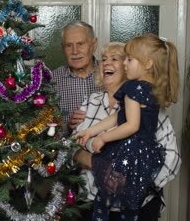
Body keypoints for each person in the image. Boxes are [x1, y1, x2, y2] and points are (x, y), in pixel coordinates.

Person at [72, 42, 181, 221]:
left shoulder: (147, 103)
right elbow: (71, 145)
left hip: (140, 205)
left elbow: (172, 160)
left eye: (116, 59)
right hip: (89, 202)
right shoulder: (90, 102)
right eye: (104, 59)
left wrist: (137, 179)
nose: (107, 63)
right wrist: (91, 160)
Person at [52, 20, 100, 137]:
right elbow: (44, 129)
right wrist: (68, 127)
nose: (75, 51)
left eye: (81, 44)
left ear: (94, 45)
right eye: (69, 45)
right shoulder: (52, 80)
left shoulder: (110, 74)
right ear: (63, 48)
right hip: (68, 152)